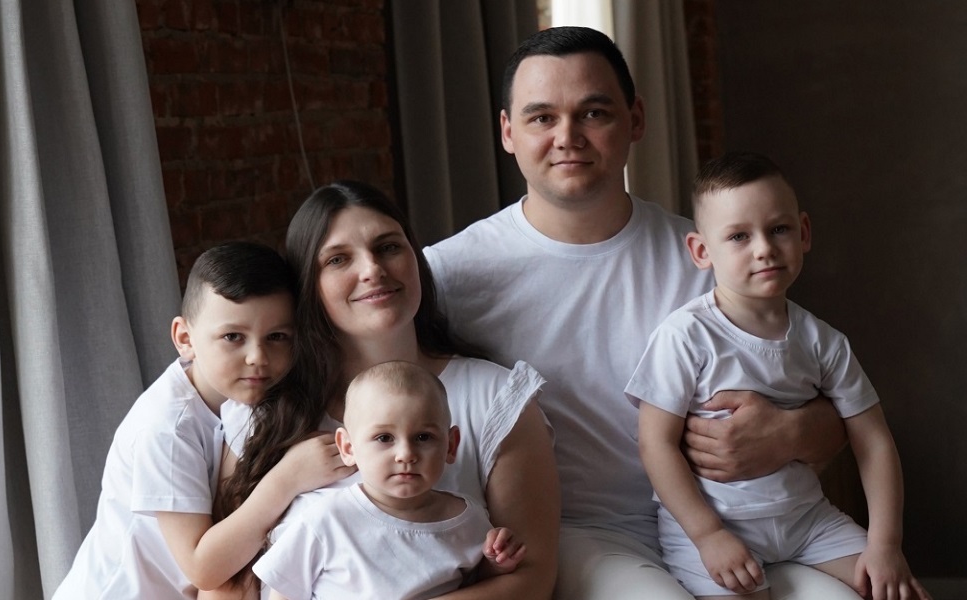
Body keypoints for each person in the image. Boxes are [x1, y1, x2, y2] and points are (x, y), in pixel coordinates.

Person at [423, 26, 853, 599]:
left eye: (593, 113)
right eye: (542, 117)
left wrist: (790, 431)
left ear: (636, 119)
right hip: (577, 534)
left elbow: (836, 402)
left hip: (730, 524)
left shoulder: (709, 255)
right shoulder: (448, 275)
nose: (567, 137)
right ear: (507, 132)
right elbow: (371, 397)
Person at [218, 180, 559, 599]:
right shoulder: (268, 409)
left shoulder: (495, 398)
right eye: (339, 259)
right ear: (309, 284)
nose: (372, 270)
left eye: (388, 247)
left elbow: (531, 580)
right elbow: (224, 583)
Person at [627, 151, 930, 600]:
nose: (764, 248)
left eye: (779, 229)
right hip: (715, 525)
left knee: (898, 591)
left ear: (803, 232)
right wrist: (708, 535)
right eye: (739, 236)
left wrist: (885, 544)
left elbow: (874, 440)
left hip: (806, 520)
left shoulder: (823, 341)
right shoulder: (685, 336)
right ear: (701, 251)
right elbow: (655, 444)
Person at [53, 242, 316, 599]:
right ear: (185, 338)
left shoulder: (247, 403)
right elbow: (200, 567)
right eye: (233, 337)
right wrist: (289, 478)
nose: (258, 356)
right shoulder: (167, 427)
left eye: (277, 337)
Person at [252, 360, 526, 599]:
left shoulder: (469, 519)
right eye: (384, 438)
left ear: (451, 445)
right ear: (348, 447)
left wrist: (496, 564)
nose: (406, 454)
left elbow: (478, 585)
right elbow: (284, 591)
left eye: (423, 437)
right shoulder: (326, 519)